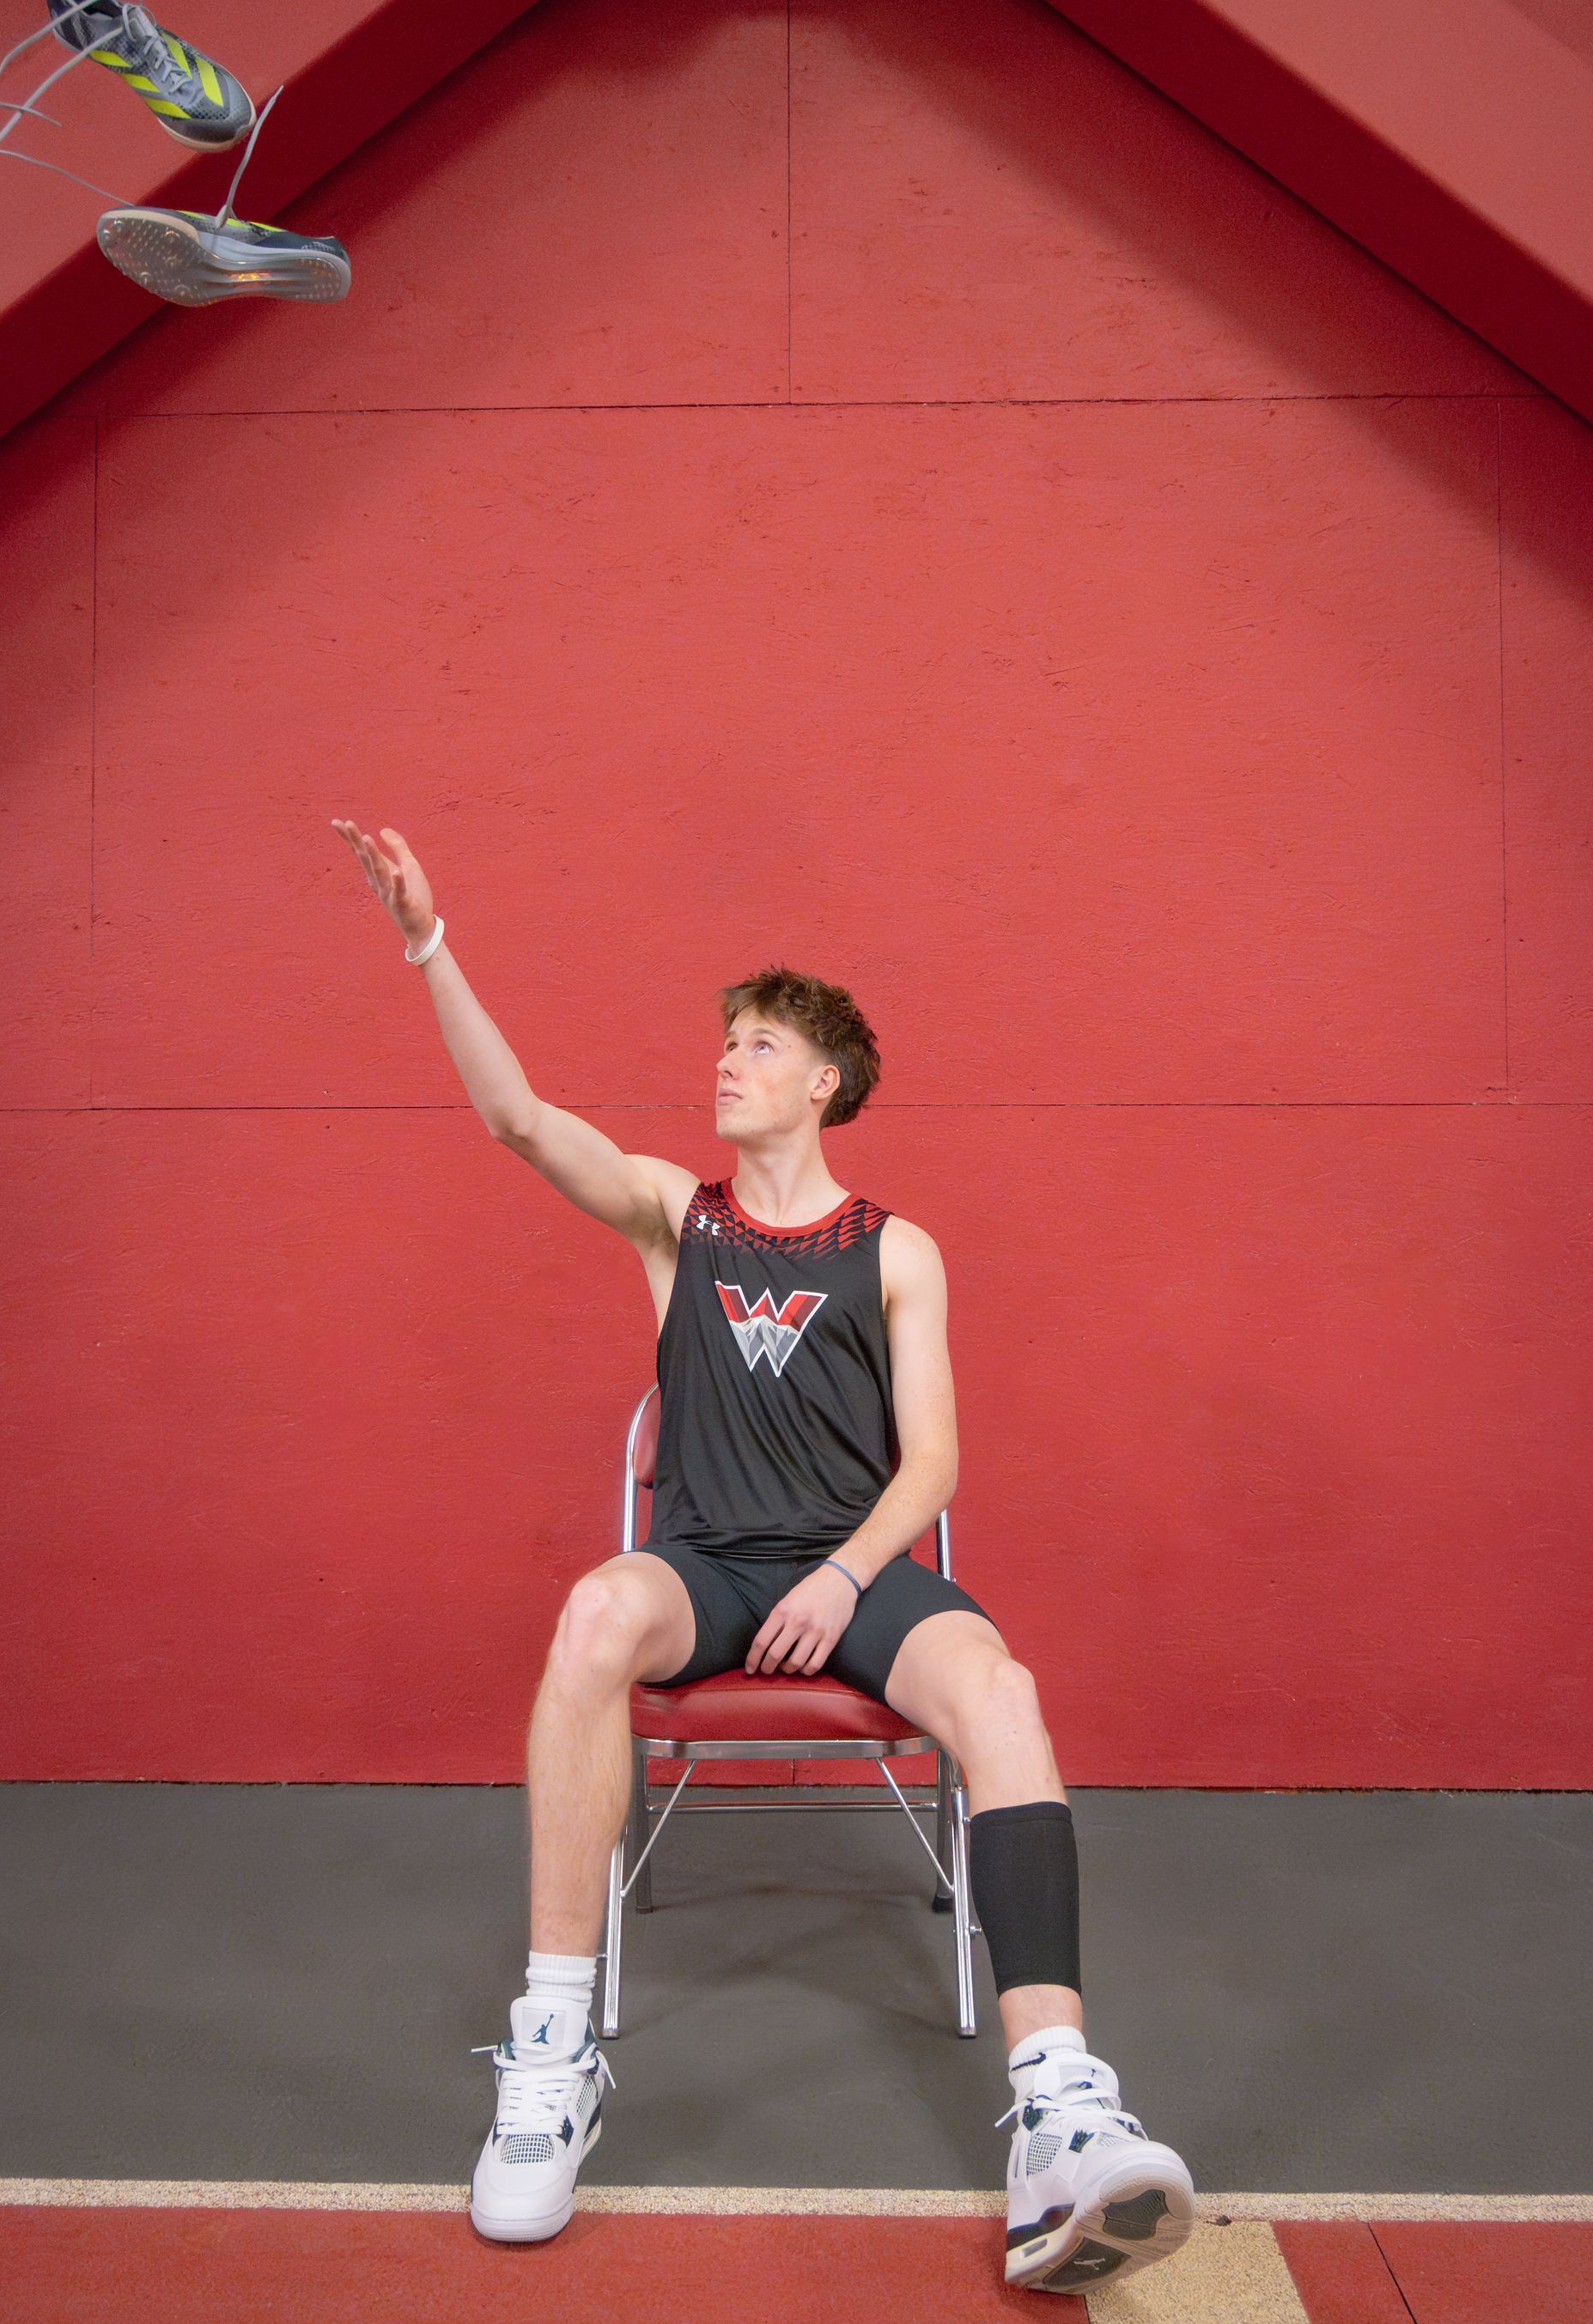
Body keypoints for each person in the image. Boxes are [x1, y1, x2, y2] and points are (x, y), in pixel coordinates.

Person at [332, 818, 1196, 2293]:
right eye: (726, 1039)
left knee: (1001, 1689)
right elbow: (520, 1121)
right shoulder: (680, 1215)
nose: (728, 1061)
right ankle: (552, 2056)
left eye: (759, 1043)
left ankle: (1057, 2101)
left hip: (848, 1573)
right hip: (709, 1564)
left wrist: (848, 1574)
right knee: (596, 1610)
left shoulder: (896, 1247)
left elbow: (931, 1462)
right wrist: (428, 943)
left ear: (826, 1081)